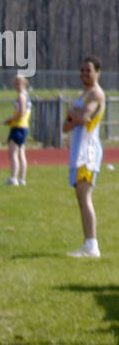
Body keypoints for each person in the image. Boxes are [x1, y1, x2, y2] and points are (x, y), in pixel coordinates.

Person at [63, 56, 105, 258]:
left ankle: (92, 245)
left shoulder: (96, 94)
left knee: (85, 195)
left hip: (87, 151)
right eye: (82, 70)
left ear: (98, 72)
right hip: (77, 149)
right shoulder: (82, 95)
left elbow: (83, 117)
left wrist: (73, 114)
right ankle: (88, 242)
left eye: (88, 70)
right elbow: (66, 125)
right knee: (80, 196)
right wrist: (73, 115)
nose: (84, 74)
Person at [3, 75, 31, 185]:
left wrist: (9, 119)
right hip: (23, 126)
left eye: (18, 83)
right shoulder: (26, 95)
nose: (16, 86)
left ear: (23, 84)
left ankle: (14, 178)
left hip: (18, 126)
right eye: (15, 83)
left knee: (13, 153)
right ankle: (22, 179)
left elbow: (21, 113)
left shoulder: (21, 96)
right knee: (21, 152)